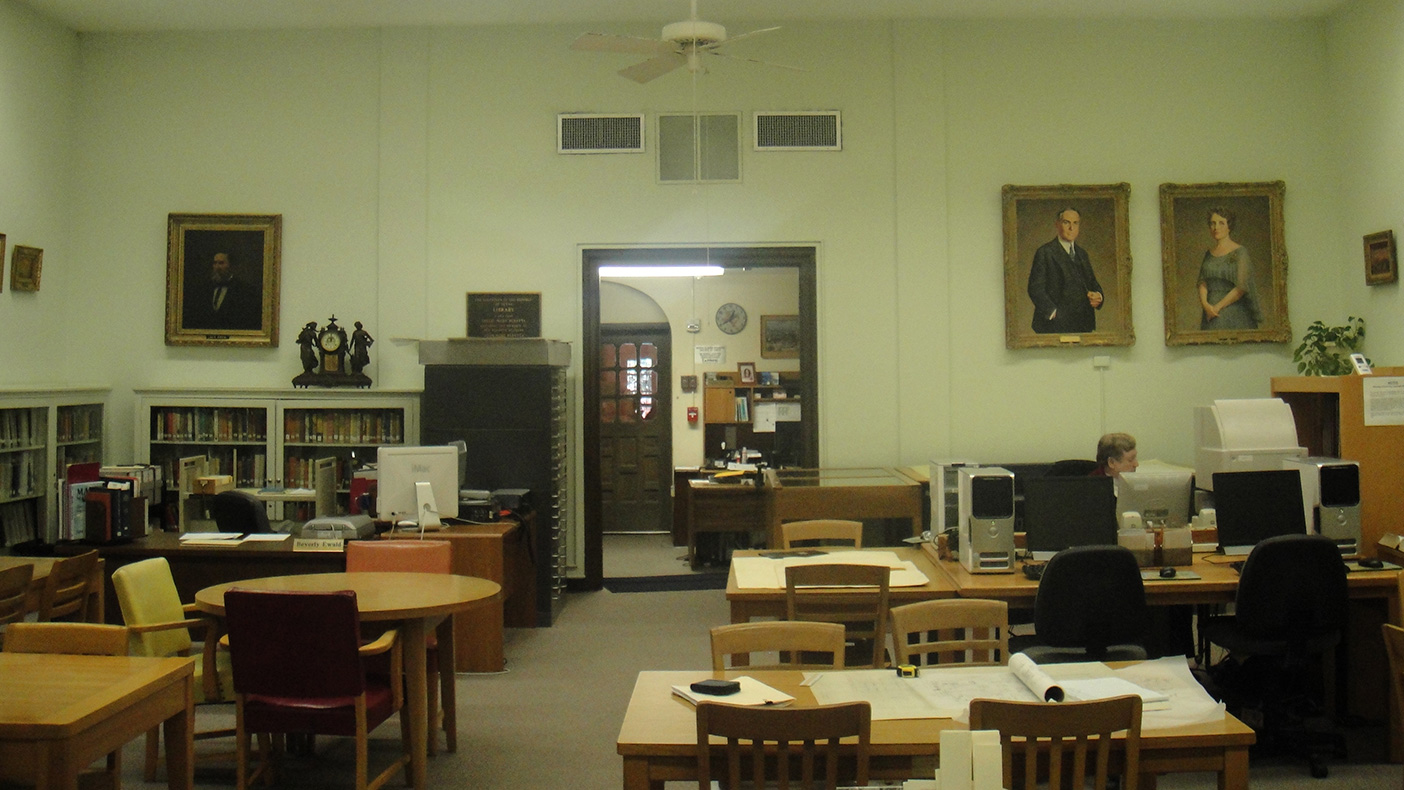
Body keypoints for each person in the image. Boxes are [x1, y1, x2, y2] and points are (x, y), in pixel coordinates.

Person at [1027, 207, 1104, 334]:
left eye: (1075, 223)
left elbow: (1093, 283)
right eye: (1066, 222)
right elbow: (1035, 288)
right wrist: (1053, 313)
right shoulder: (1045, 252)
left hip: (1083, 325)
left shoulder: (1082, 254)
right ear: (1057, 224)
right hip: (1054, 326)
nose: (1071, 228)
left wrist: (1099, 296)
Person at [1197, 207, 1260, 330]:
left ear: (1229, 226)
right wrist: (1206, 306)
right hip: (1210, 314)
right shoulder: (1208, 254)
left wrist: (1216, 308)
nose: (1216, 228)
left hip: (1233, 311)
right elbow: (1202, 282)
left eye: (1221, 223)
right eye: (1213, 223)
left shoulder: (1241, 252)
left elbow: (1241, 287)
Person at [183, 251, 261, 331]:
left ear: (230, 266)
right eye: (215, 263)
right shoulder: (204, 289)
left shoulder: (244, 290)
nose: (217, 267)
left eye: (221, 263)